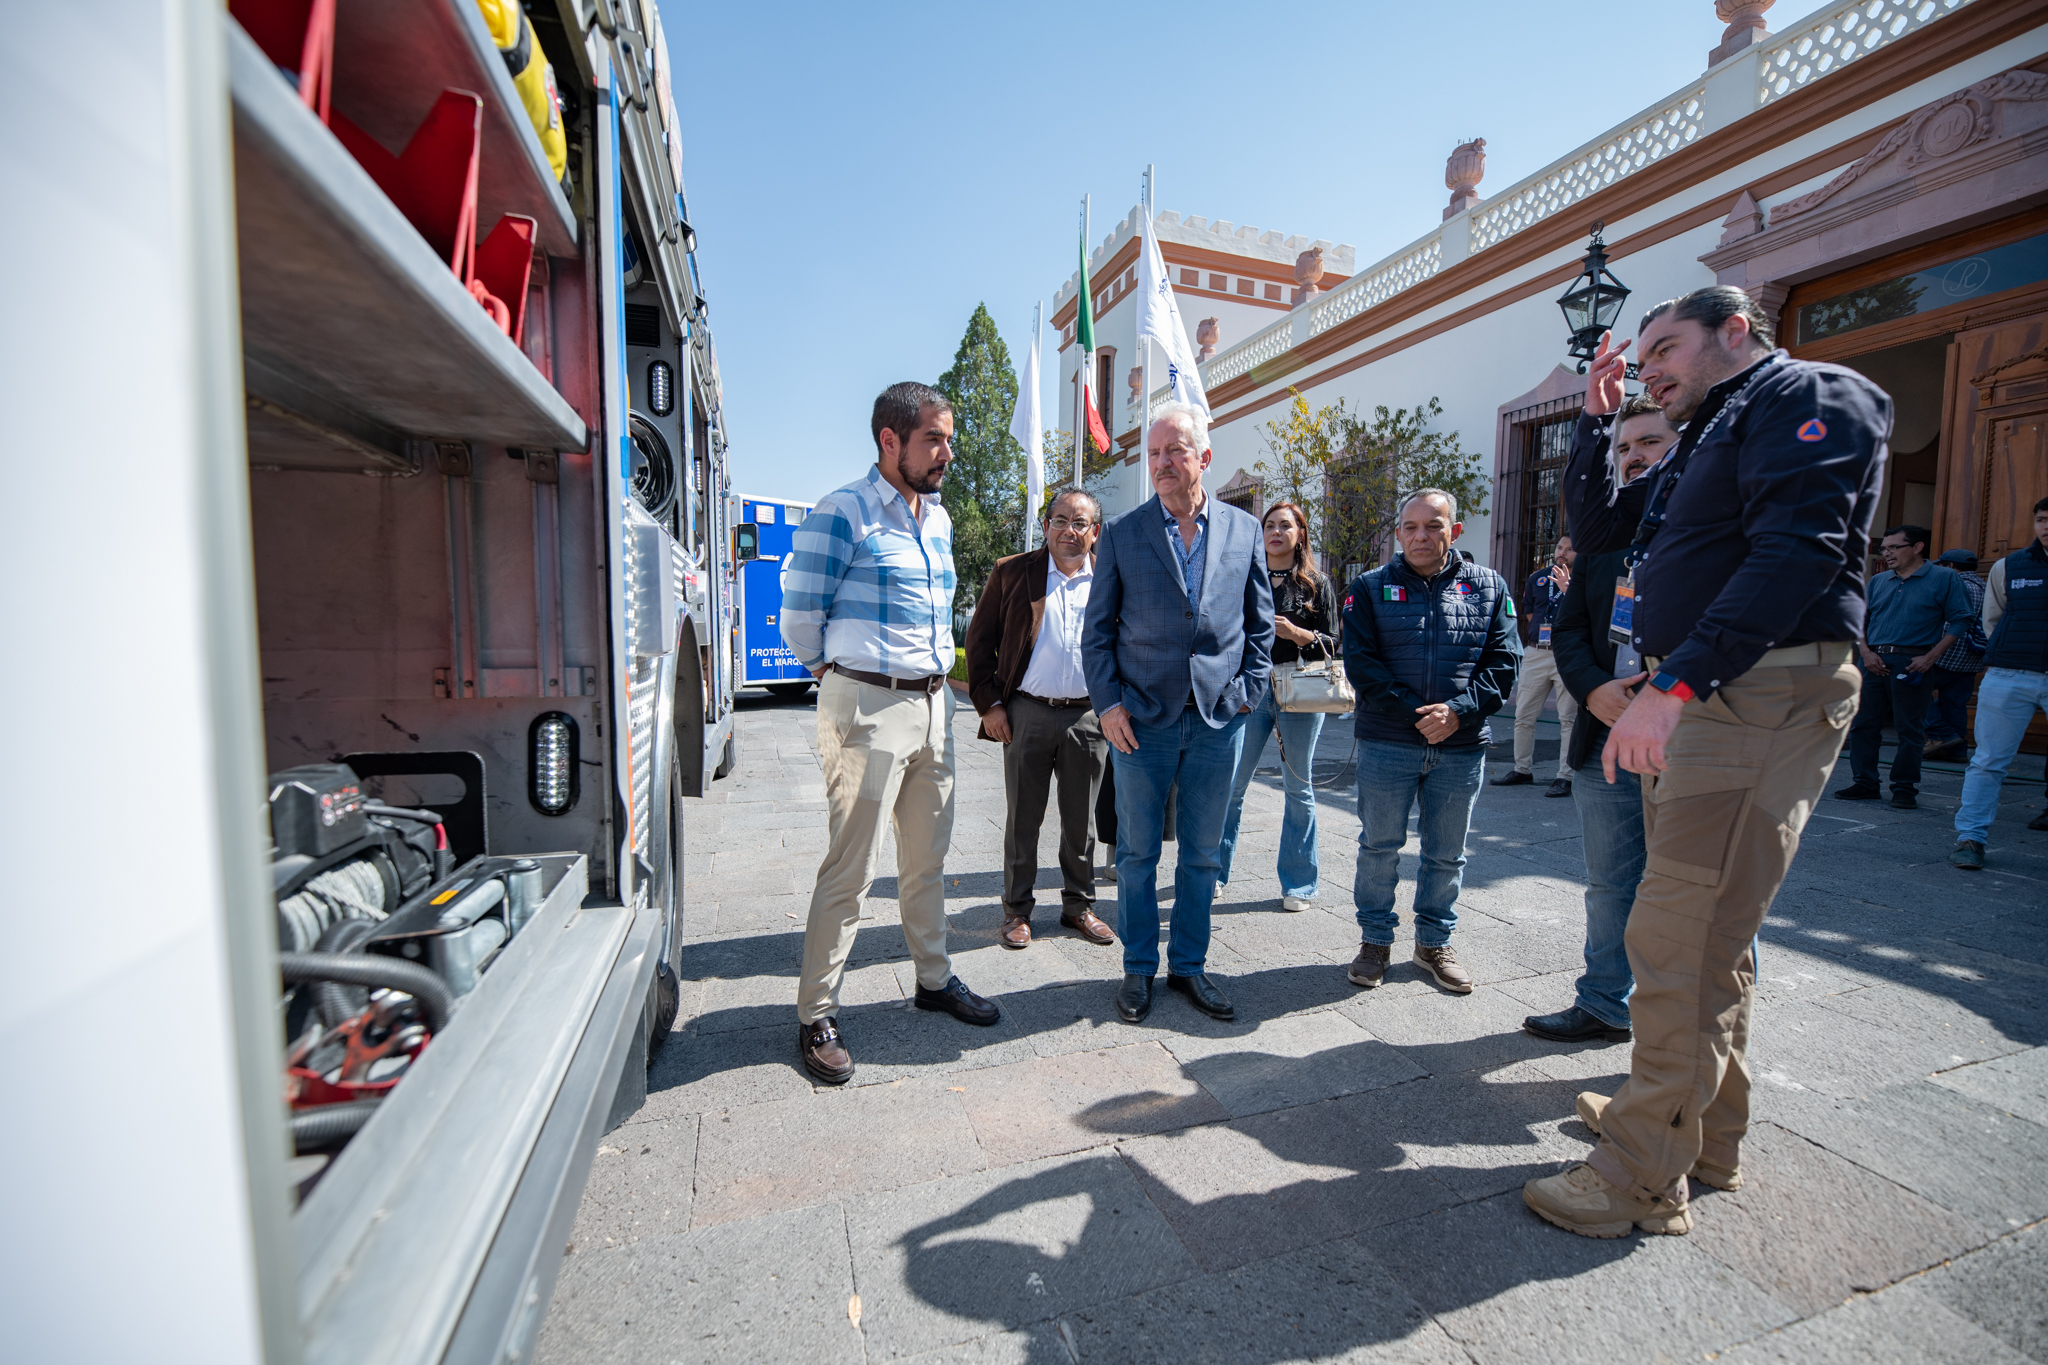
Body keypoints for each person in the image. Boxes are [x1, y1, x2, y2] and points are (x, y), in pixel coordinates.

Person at [1522, 287, 1887, 1239]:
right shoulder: (1712, 431)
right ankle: (1702, 1132)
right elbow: (1603, 535)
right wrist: (1599, 425)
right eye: (1641, 363)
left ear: (1737, 331)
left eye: (1666, 350)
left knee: (1677, 933)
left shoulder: (1805, 395)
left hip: (1750, 694)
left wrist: (1673, 685)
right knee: (1706, 932)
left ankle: (1641, 1175)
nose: (1651, 373)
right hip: (1716, 697)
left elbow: (1797, 555)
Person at [778, 382, 1000, 1085]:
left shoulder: (935, 519)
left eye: (949, 438)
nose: (948, 452)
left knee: (926, 860)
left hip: (937, 711)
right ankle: (816, 1011)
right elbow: (798, 618)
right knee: (852, 867)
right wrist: (847, 684)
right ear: (889, 440)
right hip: (867, 708)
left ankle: (933, 978)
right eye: (934, 438)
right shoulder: (841, 512)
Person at [1082, 401, 1274, 1026]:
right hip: (1141, 721)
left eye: (1175, 451)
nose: (1161, 463)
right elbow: (1097, 633)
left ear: (1204, 459)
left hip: (1220, 720)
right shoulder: (1122, 534)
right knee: (1137, 854)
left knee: (1203, 854)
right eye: (1155, 453)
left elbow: (1260, 625)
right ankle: (1138, 969)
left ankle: (1189, 966)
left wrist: (1248, 690)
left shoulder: (1245, 532)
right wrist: (1108, 705)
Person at [1522, 393, 1677, 1045]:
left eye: (1651, 441)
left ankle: (1675, 1027)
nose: (1634, 456)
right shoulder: (1604, 537)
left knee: (1688, 889)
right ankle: (1604, 1002)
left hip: (1683, 731)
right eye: (1623, 446)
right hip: (1603, 730)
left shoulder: (1704, 528)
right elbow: (1570, 630)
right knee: (1609, 883)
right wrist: (1593, 692)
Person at [1339, 489, 1520, 995]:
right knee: (1379, 847)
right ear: (1398, 533)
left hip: (1460, 747)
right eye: (1412, 527)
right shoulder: (1369, 589)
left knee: (1447, 853)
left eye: (1434, 526)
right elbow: (1363, 664)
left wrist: (1457, 714)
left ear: (1454, 532)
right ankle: (1375, 940)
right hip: (1387, 742)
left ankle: (1434, 944)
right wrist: (1420, 715)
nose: (1422, 536)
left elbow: (1505, 663)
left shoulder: (1488, 587)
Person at [963, 488, 1116, 950]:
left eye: (1081, 523)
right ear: (1046, 524)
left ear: (1094, 532)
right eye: (1061, 520)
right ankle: (1016, 910)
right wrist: (990, 705)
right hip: (1026, 712)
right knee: (1022, 819)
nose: (1070, 530)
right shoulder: (1014, 572)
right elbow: (978, 641)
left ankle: (1078, 906)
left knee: (1081, 821)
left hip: (1088, 717)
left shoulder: (1109, 578)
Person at [1218, 500, 1339, 911]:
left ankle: (1299, 884)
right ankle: (1214, 873)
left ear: (1300, 533)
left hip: (1299, 690)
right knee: (1232, 786)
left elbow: (1335, 646)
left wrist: (1298, 634)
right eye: (1268, 525)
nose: (1275, 532)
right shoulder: (1243, 578)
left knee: (1298, 787)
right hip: (1250, 692)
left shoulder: (1317, 584)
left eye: (1284, 525)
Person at [1835, 525, 1973, 810]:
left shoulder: (1944, 578)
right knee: (1863, 725)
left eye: (1894, 547)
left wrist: (1931, 657)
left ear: (1917, 547)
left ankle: (1904, 787)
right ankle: (1865, 782)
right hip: (1872, 659)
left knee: (1909, 729)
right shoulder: (1879, 580)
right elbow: (1860, 618)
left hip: (1913, 662)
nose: (1887, 553)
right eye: (1884, 548)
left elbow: (1961, 620)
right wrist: (1865, 652)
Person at [1951, 497, 2048, 869]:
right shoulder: (2009, 566)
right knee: (1987, 761)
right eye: (2041, 519)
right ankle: (1970, 838)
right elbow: (1992, 620)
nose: (2045, 526)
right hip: (2008, 675)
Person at [1494, 536, 1580, 797]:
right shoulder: (1537, 579)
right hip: (1536, 652)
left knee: (1568, 719)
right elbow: (1531, 614)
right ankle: (1522, 769)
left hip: (1567, 653)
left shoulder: (1583, 580)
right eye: (1559, 548)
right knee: (1523, 716)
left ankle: (1565, 776)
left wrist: (1569, 590)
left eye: (1569, 549)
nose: (1563, 553)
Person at [1923, 547, 1987, 762]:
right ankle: (1956, 751)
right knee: (1955, 702)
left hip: (1946, 654)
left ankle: (1942, 734)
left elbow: (1948, 622)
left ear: (1949, 566)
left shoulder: (1954, 584)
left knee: (1909, 690)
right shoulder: (1984, 586)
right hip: (1972, 657)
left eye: (1941, 565)